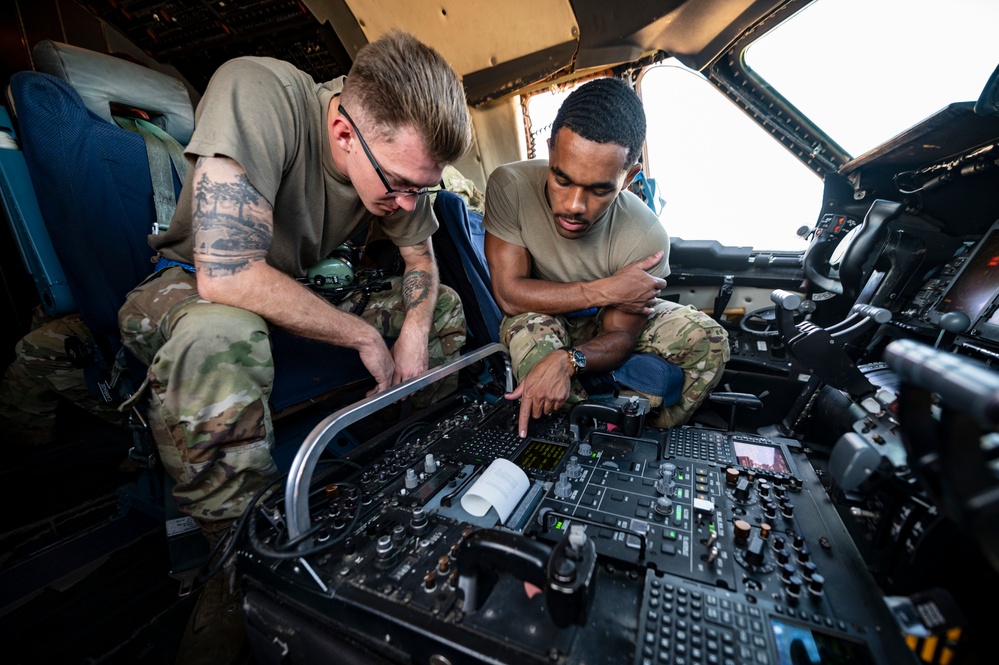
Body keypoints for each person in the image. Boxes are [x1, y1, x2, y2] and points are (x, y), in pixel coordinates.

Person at [116, 30, 472, 664]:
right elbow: (223, 273)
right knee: (220, 334)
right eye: (397, 185)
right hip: (189, 288)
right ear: (342, 133)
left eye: (421, 188)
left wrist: (413, 332)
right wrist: (363, 334)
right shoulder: (258, 91)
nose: (405, 203)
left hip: (291, 289)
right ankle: (237, 562)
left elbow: (420, 256)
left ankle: (401, 477)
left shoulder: (396, 166)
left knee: (439, 308)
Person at [482, 77, 729, 438]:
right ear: (551, 151)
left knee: (710, 339)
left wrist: (571, 359)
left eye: (599, 190)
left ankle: (636, 435)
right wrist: (607, 290)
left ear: (629, 178)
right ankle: (573, 433)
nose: (574, 206)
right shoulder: (510, 186)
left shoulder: (645, 236)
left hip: (604, 326)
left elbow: (620, 337)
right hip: (539, 315)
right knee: (531, 334)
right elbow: (509, 294)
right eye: (562, 180)